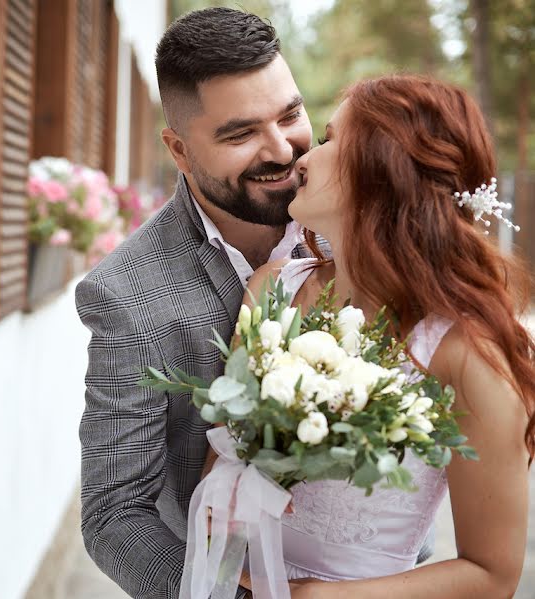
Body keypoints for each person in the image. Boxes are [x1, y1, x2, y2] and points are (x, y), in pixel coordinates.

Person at [228, 74, 533, 598]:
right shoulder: (270, 292)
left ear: (382, 171)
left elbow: (493, 575)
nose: (303, 159)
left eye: (329, 141)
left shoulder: (465, 354)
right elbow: (226, 451)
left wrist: (312, 597)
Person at [75, 8, 315, 598]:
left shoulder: (363, 226)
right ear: (179, 151)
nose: (282, 150)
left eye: (290, 114)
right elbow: (115, 512)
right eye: (240, 134)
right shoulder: (126, 295)